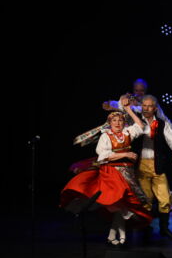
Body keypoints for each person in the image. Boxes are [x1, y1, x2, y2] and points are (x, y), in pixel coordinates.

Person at [61, 105, 152, 247]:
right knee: (120, 205)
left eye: (120, 120)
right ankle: (122, 236)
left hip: (127, 173)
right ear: (109, 123)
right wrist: (125, 154)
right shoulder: (106, 136)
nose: (117, 123)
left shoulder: (127, 132)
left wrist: (128, 110)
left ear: (124, 122)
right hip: (112, 173)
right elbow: (103, 155)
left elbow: (140, 126)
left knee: (123, 206)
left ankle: (112, 235)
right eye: (114, 120)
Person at [121, 94, 172, 241]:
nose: (146, 108)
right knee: (146, 199)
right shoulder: (136, 122)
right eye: (144, 105)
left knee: (165, 198)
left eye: (150, 106)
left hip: (157, 165)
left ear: (155, 108)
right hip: (141, 165)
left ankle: (164, 228)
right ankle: (146, 228)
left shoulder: (161, 123)